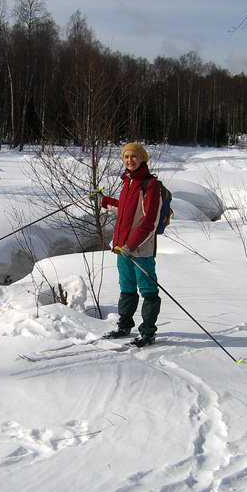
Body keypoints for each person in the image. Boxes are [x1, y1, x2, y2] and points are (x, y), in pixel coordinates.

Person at [99, 142, 162, 347]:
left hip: (140, 249)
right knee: (126, 287)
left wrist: (132, 244)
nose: (129, 160)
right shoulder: (127, 181)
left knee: (148, 289)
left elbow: (149, 221)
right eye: (126, 157)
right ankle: (124, 325)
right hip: (121, 248)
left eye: (134, 157)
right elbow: (125, 209)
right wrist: (103, 200)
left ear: (142, 159)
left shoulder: (149, 184)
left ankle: (148, 332)